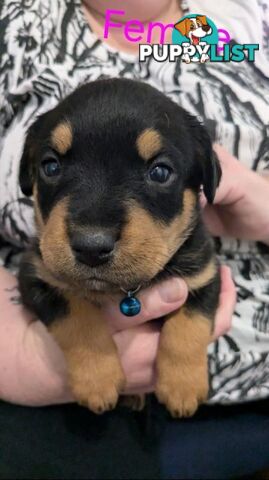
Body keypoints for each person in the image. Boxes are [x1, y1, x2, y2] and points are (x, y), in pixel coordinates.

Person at [0, 0, 269, 477]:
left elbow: (203, 288)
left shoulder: (251, 18)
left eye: (160, 171)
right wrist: (68, 355)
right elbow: (38, 282)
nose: (94, 232)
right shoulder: (18, 18)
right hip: (55, 394)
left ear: (202, 186)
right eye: (53, 166)